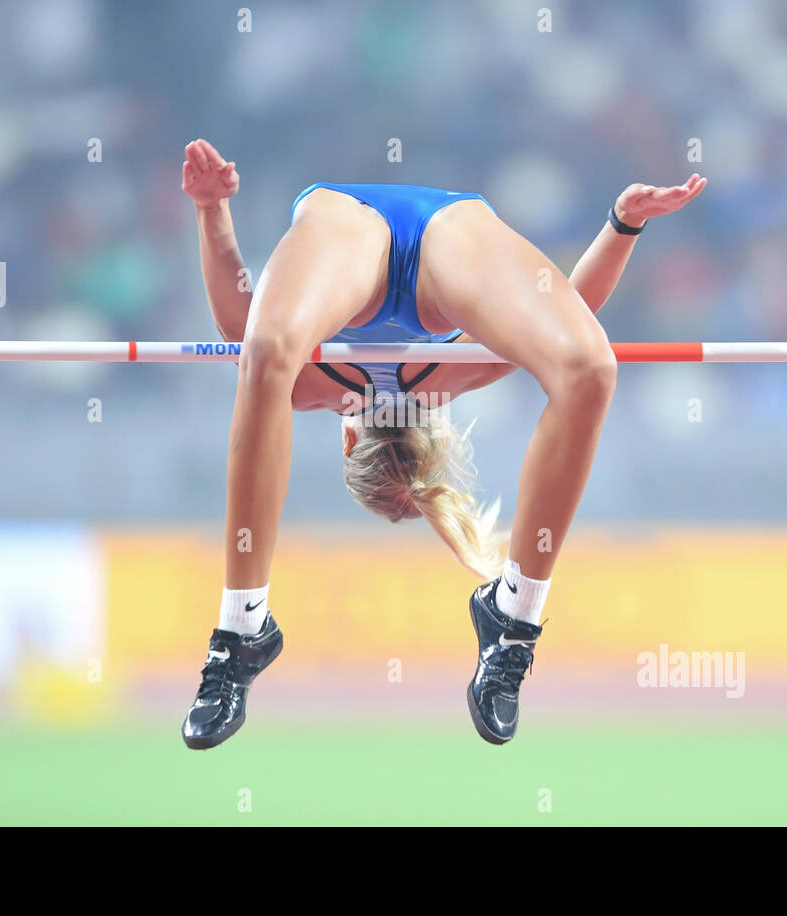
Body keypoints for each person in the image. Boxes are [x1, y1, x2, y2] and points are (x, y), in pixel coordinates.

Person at [179, 138, 705, 747]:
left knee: (589, 367)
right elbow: (237, 322)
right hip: (419, 235)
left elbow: (577, 309)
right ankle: (508, 621)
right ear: (349, 443)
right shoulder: (315, 388)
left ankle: (247, 630)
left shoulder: (450, 374)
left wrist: (623, 224)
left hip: (400, 237)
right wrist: (210, 208)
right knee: (264, 353)